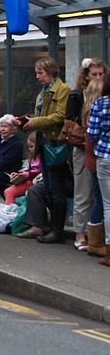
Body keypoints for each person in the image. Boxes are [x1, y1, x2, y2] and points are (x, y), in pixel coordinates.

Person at [14, 56, 71, 244]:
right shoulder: (42, 92)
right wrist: (25, 121)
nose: (38, 76)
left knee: (55, 188)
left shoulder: (62, 90)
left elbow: (60, 115)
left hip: (56, 144)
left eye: (41, 73)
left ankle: (57, 229)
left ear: (51, 71)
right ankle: (50, 227)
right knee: (48, 186)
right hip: (44, 143)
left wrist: (35, 122)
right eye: (37, 73)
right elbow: (41, 116)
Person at [67, 58, 107, 250]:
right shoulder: (77, 96)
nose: (98, 78)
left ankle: (95, 237)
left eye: (101, 74)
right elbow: (70, 123)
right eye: (94, 74)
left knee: (100, 196)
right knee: (83, 192)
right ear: (86, 76)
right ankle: (80, 233)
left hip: (100, 151)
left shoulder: (103, 99)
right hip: (83, 149)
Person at [86, 75, 110, 266]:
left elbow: (92, 133)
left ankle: (108, 250)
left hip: (105, 157)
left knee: (108, 204)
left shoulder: (100, 103)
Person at [4, 132, 41, 204]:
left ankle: (8, 212)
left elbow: (40, 172)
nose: (30, 149)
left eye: (32, 146)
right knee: (7, 191)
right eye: (29, 147)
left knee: (9, 192)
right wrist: (18, 174)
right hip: (28, 181)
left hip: (36, 182)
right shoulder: (33, 158)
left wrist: (28, 174)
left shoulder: (43, 158)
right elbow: (30, 170)